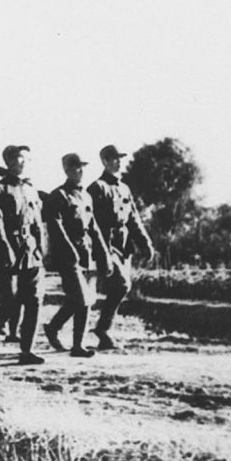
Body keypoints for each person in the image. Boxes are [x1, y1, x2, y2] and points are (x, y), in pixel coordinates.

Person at [0, 145, 47, 365]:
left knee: (34, 300)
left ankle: (27, 351)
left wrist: (41, 248)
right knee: (10, 304)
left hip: (30, 251)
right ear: (8, 162)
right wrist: (6, 252)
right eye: (17, 159)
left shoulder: (30, 189)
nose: (22, 163)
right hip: (8, 253)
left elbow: (37, 222)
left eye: (24, 159)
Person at [42, 153, 111, 358]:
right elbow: (55, 228)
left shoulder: (86, 196)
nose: (79, 171)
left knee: (81, 298)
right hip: (67, 256)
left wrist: (104, 255)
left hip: (86, 254)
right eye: (75, 168)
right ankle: (71, 341)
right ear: (66, 170)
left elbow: (94, 228)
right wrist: (70, 251)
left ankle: (61, 333)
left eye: (81, 167)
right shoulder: (58, 196)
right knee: (82, 299)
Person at [86, 144, 154, 349]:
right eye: (114, 159)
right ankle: (103, 330)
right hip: (106, 245)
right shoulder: (97, 188)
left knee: (122, 287)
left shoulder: (124, 188)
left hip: (123, 247)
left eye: (119, 158)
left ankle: (99, 330)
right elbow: (91, 222)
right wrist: (100, 251)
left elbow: (133, 219)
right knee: (122, 285)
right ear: (104, 161)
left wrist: (145, 243)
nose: (118, 162)